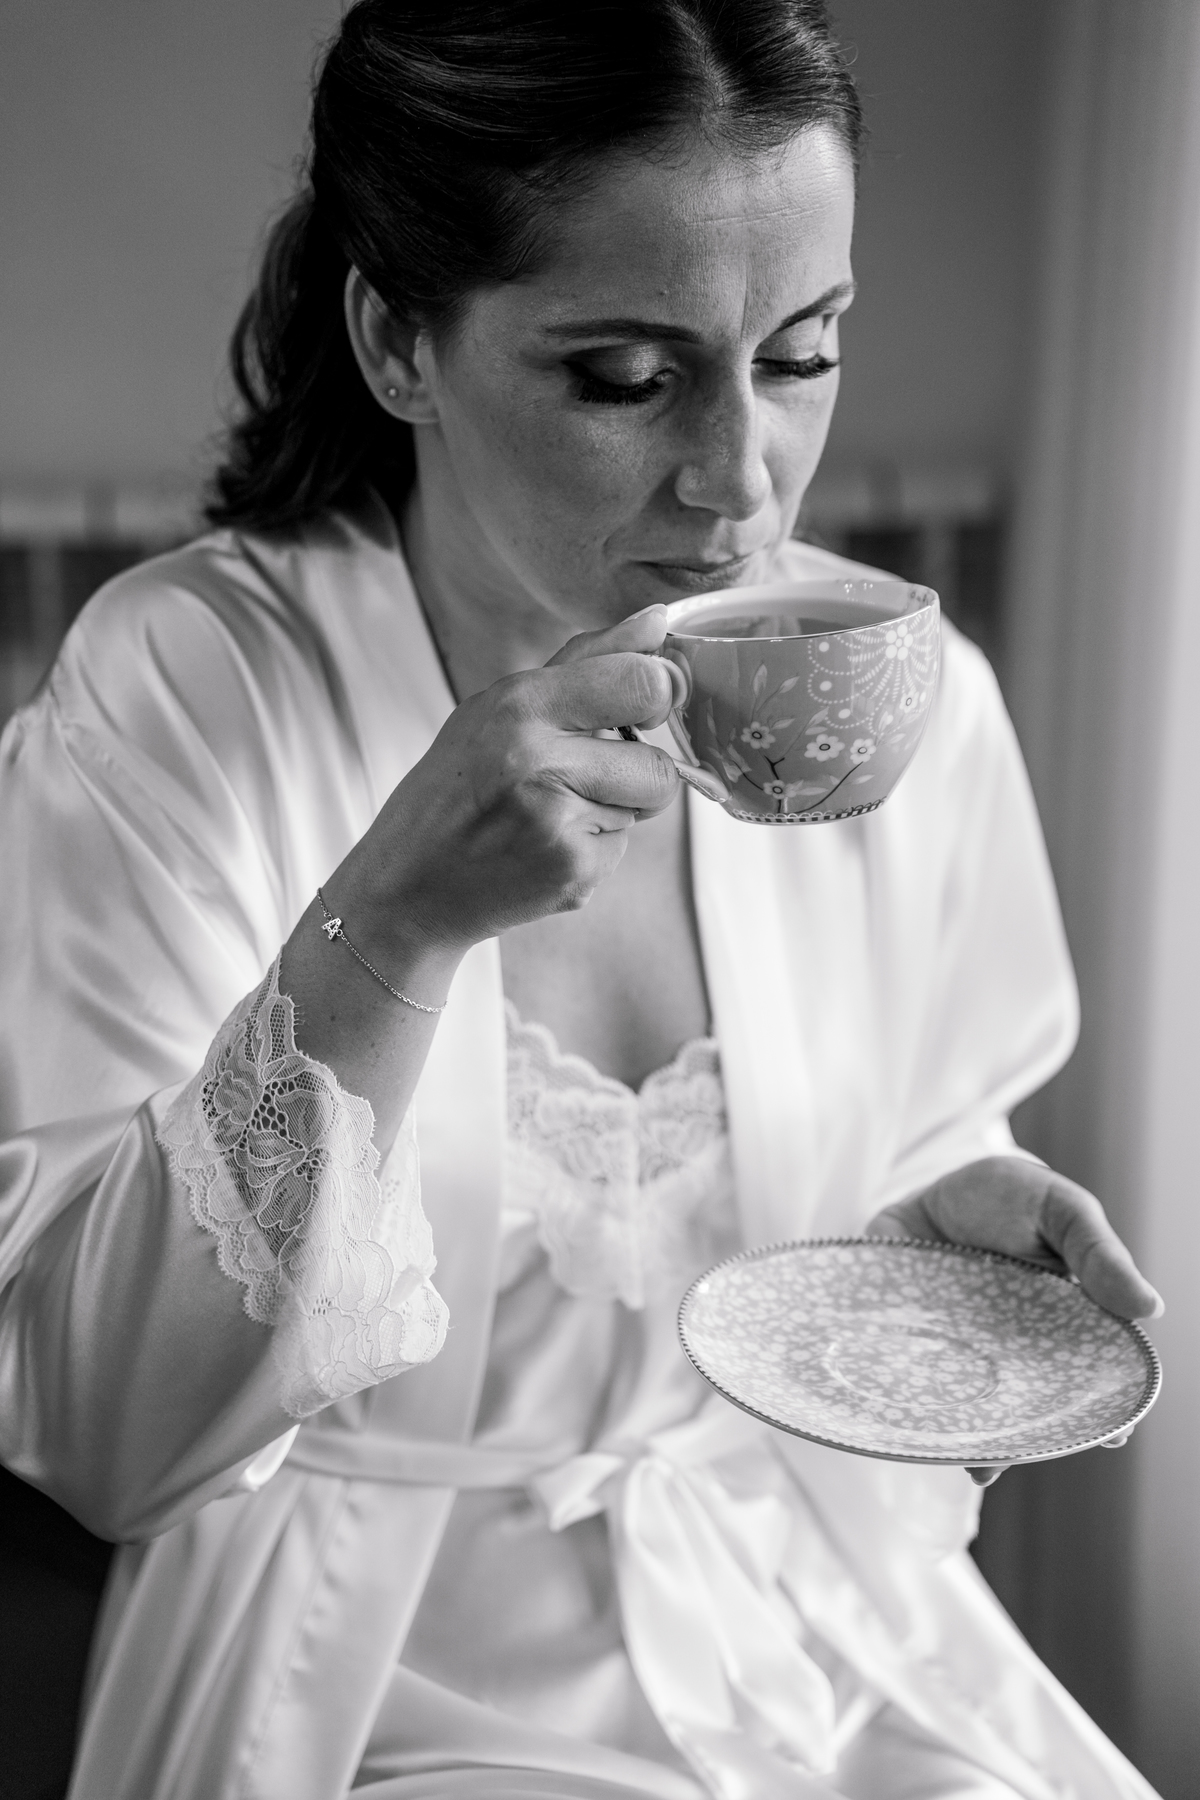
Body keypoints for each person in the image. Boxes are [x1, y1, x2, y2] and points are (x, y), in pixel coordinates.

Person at [0, 3, 1165, 1797]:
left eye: (802, 352)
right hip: (370, 1677)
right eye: (627, 376)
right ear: (398, 339)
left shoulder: (897, 696)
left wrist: (930, 1217)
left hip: (802, 1623)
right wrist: (391, 926)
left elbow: (923, 1104)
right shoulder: (182, 692)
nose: (743, 477)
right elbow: (102, 1433)